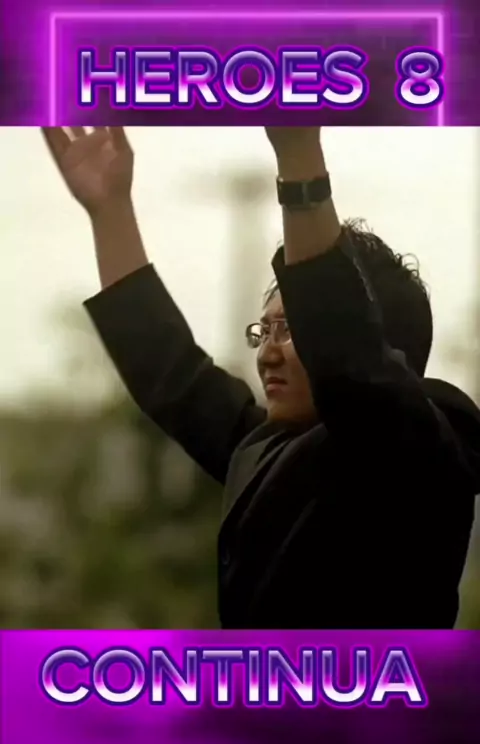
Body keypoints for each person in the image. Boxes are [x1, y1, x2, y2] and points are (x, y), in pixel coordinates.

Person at [42, 125, 480, 629]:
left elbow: (345, 359)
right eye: (263, 331)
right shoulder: (268, 454)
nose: (267, 354)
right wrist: (111, 213)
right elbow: (173, 376)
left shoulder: (418, 452)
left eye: (290, 329)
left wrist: (298, 154)